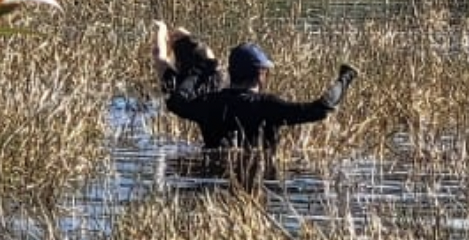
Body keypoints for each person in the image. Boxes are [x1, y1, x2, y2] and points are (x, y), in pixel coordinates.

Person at [153, 21, 357, 153]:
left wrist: (200, 69)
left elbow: (176, 102)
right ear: (261, 74)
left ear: (232, 72)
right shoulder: (267, 106)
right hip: (260, 173)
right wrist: (345, 78)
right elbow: (321, 109)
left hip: (213, 179)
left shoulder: (210, 104)